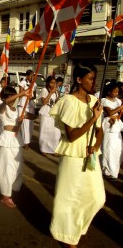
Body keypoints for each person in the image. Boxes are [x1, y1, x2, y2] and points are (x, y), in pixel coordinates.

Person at [49, 62, 105, 248]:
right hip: (72, 153)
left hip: (90, 155)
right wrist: (93, 118)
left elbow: (100, 131)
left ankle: (76, 227)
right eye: (90, 79)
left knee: (97, 197)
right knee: (68, 197)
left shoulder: (95, 101)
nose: (93, 82)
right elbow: (72, 136)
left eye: (95, 78)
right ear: (79, 80)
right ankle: (66, 235)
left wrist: (96, 145)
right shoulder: (68, 101)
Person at [0, 86, 30, 208]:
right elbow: (5, 102)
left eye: (13, 96)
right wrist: (22, 94)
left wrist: (24, 117)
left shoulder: (16, 109)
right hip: (7, 139)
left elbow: (33, 116)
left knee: (17, 165)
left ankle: (14, 187)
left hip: (16, 139)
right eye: (10, 96)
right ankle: (5, 196)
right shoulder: (1, 107)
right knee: (6, 167)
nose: (13, 99)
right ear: (5, 97)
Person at [101, 82, 123, 181]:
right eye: (114, 92)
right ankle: (107, 171)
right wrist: (120, 107)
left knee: (117, 150)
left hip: (117, 126)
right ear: (109, 91)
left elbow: (119, 112)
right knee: (108, 149)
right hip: (109, 125)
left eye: (117, 92)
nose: (116, 93)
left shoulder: (118, 101)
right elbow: (109, 112)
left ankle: (114, 171)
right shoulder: (104, 100)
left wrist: (119, 112)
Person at [39, 76, 61, 156]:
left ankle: (54, 149)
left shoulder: (56, 91)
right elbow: (44, 102)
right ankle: (43, 149)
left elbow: (56, 102)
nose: (53, 84)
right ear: (48, 83)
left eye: (54, 83)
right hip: (45, 112)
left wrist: (58, 94)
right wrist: (51, 92)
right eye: (51, 83)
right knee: (45, 131)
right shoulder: (44, 90)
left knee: (55, 132)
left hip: (53, 112)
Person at [18, 69, 37, 150]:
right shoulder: (23, 82)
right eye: (31, 75)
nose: (32, 77)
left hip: (31, 105)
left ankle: (28, 141)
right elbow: (20, 94)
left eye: (33, 75)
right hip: (23, 104)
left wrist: (31, 97)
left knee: (30, 125)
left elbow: (34, 96)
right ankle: (25, 142)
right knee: (25, 124)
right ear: (27, 76)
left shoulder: (35, 84)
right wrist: (28, 88)